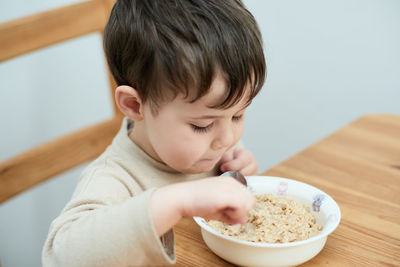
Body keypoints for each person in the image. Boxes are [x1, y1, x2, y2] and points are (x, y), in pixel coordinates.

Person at [42, 0, 266, 266]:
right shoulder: (114, 179)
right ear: (135, 105)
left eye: (238, 115)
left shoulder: (212, 144)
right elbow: (61, 257)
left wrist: (240, 167)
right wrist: (177, 201)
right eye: (202, 125)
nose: (228, 138)